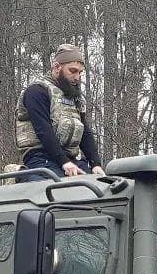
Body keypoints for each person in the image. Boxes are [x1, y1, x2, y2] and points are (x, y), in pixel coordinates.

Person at [15, 43, 105, 181]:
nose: (77, 77)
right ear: (57, 67)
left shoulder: (74, 97)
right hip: (40, 159)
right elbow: (43, 130)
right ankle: (19, 175)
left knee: (102, 184)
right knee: (60, 189)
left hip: (69, 159)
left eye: (80, 72)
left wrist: (95, 163)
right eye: (73, 71)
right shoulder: (37, 91)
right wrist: (64, 162)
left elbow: (85, 132)